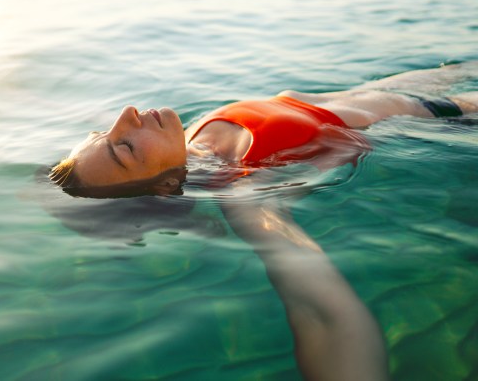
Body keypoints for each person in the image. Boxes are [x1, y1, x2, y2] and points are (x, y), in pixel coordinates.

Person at [49, 62, 478, 380]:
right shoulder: (246, 192)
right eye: (124, 148)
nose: (125, 115)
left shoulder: (193, 143)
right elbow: (323, 311)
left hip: (390, 86)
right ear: (163, 188)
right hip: (444, 114)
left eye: (103, 135)